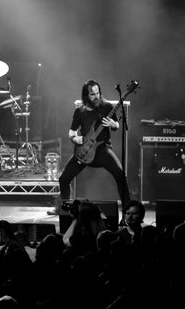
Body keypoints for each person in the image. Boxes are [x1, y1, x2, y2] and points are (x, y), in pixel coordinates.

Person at [52, 80, 130, 221]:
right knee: (63, 179)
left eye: (98, 93)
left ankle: (128, 214)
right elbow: (71, 132)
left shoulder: (107, 107)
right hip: (84, 151)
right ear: (86, 95)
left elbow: (117, 125)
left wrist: (113, 124)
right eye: (92, 94)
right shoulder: (80, 111)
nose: (96, 96)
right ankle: (66, 214)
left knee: (121, 176)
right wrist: (75, 139)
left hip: (102, 149)